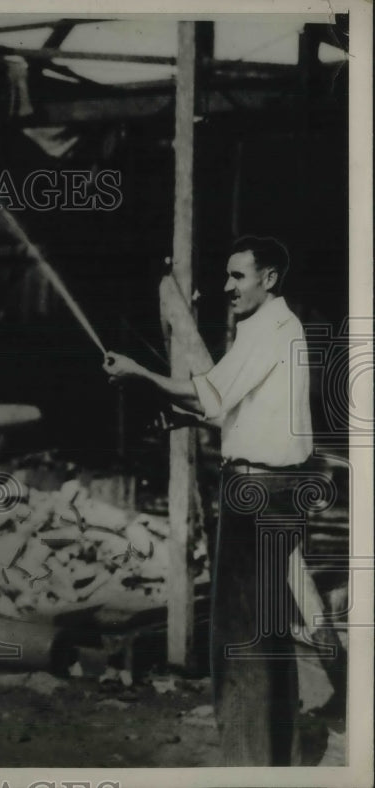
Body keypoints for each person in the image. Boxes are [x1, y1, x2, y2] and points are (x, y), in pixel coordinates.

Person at [104, 236, 313, 766]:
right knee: (265, 631)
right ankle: (274, 758)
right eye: (227, 276)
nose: (227, 287)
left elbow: (210, 393)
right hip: (273, 488)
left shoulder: (270, 330)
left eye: (238, 276)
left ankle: (248, 765)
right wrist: (186, 415)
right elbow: (233, 410)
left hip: (258, 491)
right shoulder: (280, 330)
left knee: (237, 636)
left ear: (270, 279)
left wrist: (140, 374)